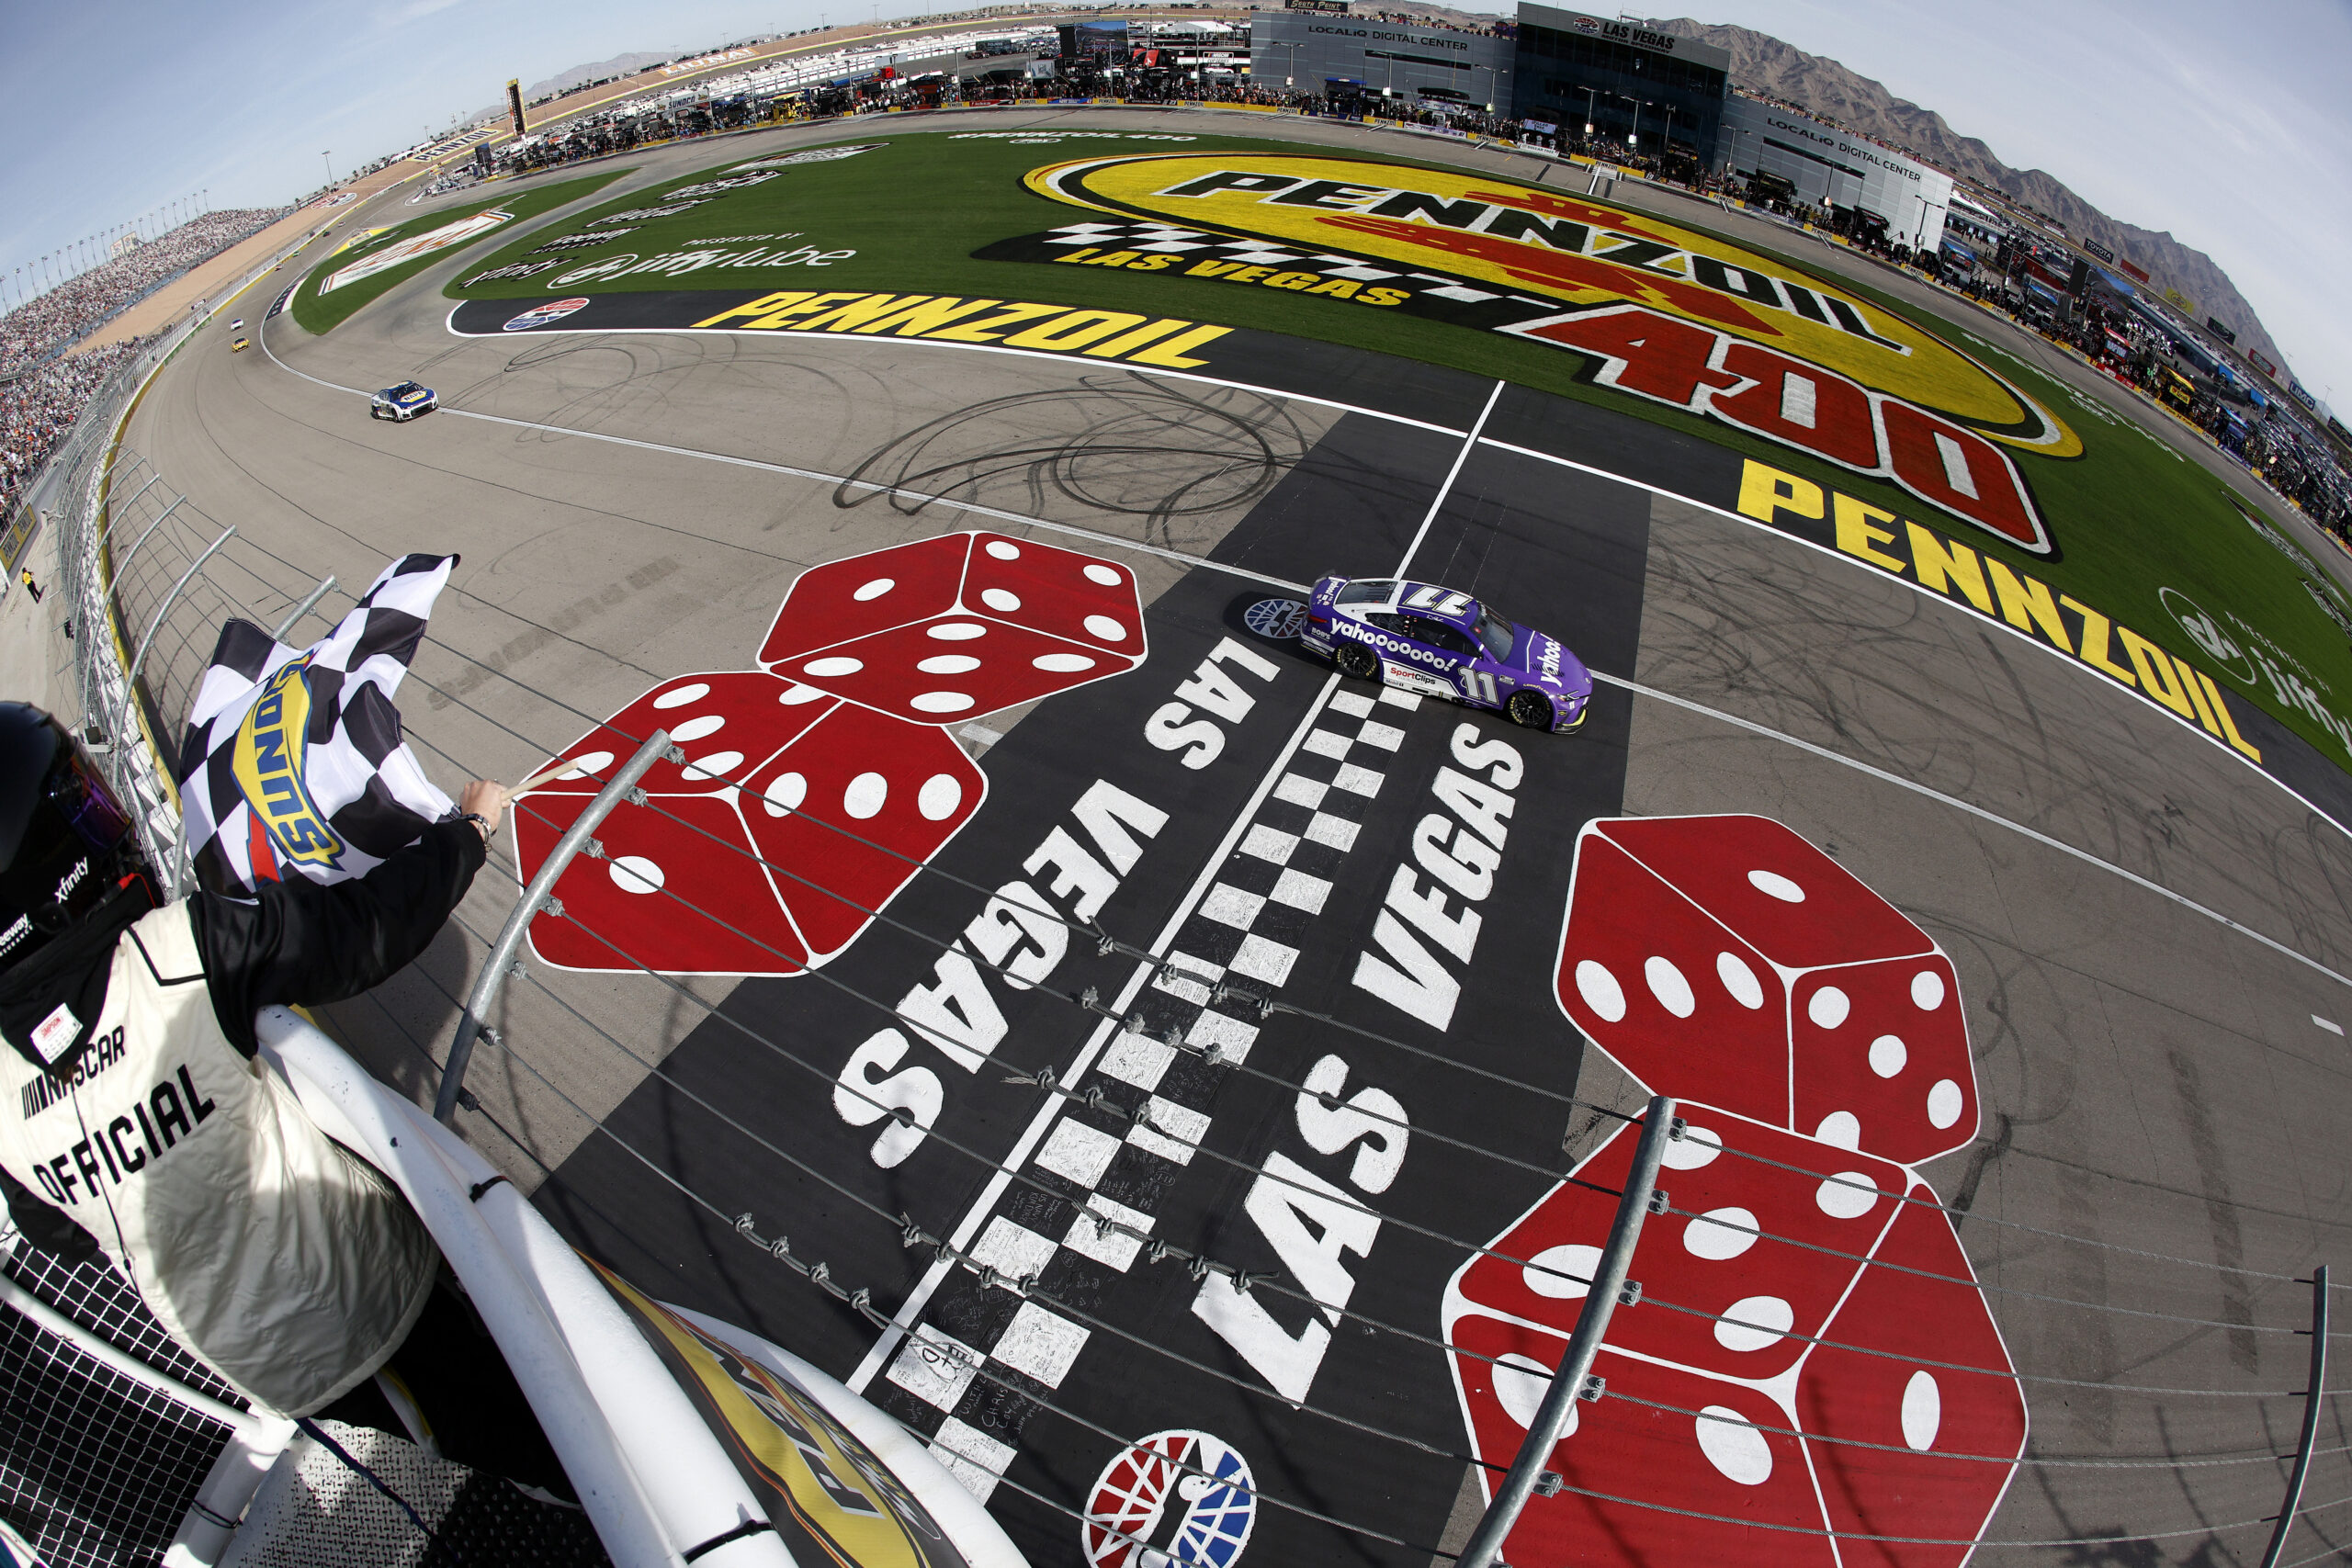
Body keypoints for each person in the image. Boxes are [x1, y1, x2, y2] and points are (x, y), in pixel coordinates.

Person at [0, 701, 562, 1489]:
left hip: (258, 1355)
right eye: (84, 809)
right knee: (543, 1435)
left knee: (471, 1443)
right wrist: (467, 833)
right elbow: (368, 928)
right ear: (53, 870)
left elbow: (57, 1232)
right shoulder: (180, 950)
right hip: (373, 1284)